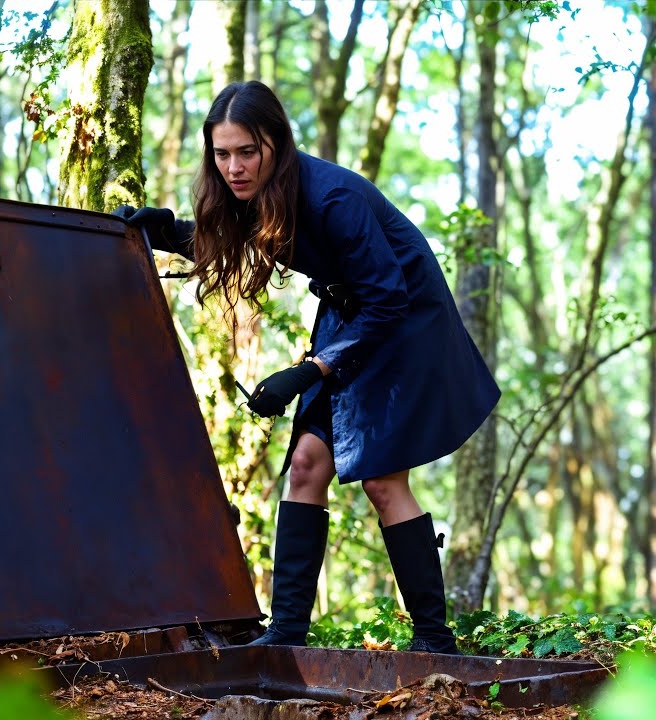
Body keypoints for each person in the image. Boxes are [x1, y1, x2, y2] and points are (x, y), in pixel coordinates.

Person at [114, 80, 499, 654]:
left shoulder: (331, 199)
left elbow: (389, 298)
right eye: (222, 154)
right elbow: (226, 244)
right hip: (350, 314)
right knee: (305, 465)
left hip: (404, 321)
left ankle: (434, 639)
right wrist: (167, 232)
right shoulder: (251, 195)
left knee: (382, 479)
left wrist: (312, 369)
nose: (235, 167)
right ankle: (288, 629)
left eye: (248, 151)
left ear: (277, 143)